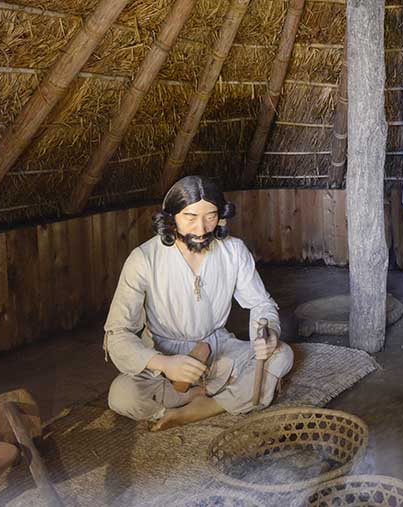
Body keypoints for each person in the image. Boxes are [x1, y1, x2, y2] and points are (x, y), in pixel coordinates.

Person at [104, 175, 293, 431]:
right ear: (171, 218)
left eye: (210, 216)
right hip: (164, 354)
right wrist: (165, 364)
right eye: (190, 217)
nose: (202, 229)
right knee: (122, 395)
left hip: (216, 348)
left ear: (221, 216)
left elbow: (262, 305)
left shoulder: (233, 251)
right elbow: (117, 334)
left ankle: (202, 409)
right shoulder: (143, 259)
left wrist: (267, 333)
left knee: (282, 355)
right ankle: (193, 398)